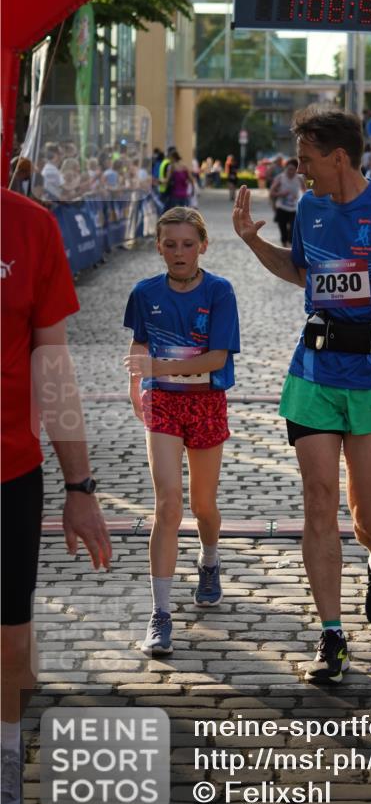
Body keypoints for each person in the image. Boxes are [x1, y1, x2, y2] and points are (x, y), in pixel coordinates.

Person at [233, 106, 371, 685]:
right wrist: (252, 243)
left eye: (307, 160)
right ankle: (331, 636)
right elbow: (305, 275)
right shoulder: (310, 210)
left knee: (368, 515)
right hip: (315, 372)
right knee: (319, 503)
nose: (300, 172)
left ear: (339, 157)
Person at [1, 189, 112, 804]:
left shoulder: (32, 228)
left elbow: (54, 366)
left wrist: (81, 487)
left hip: (8, 470)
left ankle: (5, 761)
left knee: (9, 632)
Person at [123, 207, 240, 656]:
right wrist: (136, 385)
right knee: (168, 504)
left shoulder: (220, 291)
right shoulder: (144, 292)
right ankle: (160, 613)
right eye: (170, 244)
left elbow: (216, 359)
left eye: (187, 244)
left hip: (207, 400)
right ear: (158, 246)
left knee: (202, 503)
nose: (179, 252)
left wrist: (160, 366)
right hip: (164, 402)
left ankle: (209, 560)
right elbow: (138, 343)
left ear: (203, 246)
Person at [269, 157, 304, 246]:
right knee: (283, 229)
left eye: (293, 169)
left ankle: (290, 247)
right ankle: (284, 244)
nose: (290, 172)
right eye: (289, 169)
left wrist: (302, 198)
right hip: (282, 207)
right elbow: (271, 192)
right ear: (285, 168)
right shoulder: (280, 178)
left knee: (293, 229)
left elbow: (305, 191)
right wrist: (281, 194)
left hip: (294, 208)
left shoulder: (299, 179)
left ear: (296, 170)